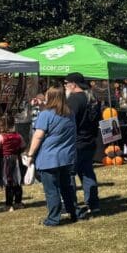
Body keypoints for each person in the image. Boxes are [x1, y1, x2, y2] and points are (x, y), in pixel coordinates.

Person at [26, 87, 80, 227]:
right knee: (67, 187)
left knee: (52, 190)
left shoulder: (46, 115)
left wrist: (30, 154)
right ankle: (74, 212)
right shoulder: (70, 114)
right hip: (66, 157)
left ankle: (53, 218)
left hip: (49, 158)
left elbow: (38, 136)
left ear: (50, 97)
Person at [64, 73, 100, 217]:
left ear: (73, 84)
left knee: (69, 174)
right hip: (90, 140)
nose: (65, 86)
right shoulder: (92, 98)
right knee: (87, 172)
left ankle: (71, 205)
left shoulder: (74, 99)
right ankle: (93, 203)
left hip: (76, 141)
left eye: (66, 83)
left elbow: (68, 120)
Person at [0, 113, 25, 211]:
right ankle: (18, 202)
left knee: (8, 182)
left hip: (6, 160)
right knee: (17, 181)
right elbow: (23, 146)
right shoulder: (18, 136)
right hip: (16, 159)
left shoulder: (1, 136)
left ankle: (9, 204)